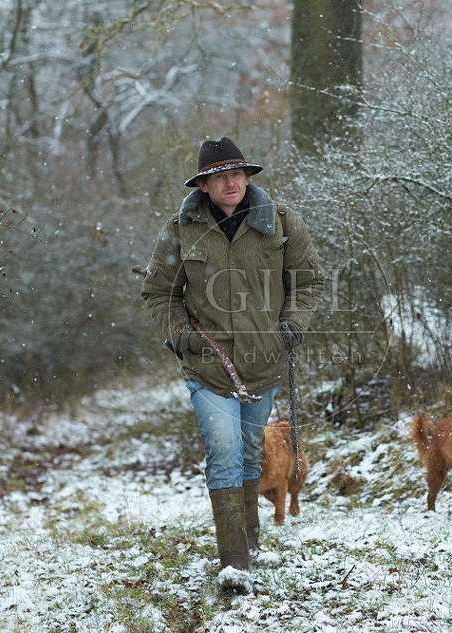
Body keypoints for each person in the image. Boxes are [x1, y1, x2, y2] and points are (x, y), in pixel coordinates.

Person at [141, 137, 323, 594]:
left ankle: (252, 544)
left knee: (246, 453)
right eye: (220, 175)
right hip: (208, 366)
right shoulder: (180, 231)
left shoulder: (280, 223)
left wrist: (291, 327)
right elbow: (159, 292)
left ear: (248, 177)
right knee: (223, 454)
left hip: (264, 365)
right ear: (203, 185)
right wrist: (181, 334)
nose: (231, 181)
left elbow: (308, 282)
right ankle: (234, 565)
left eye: (238, 173)